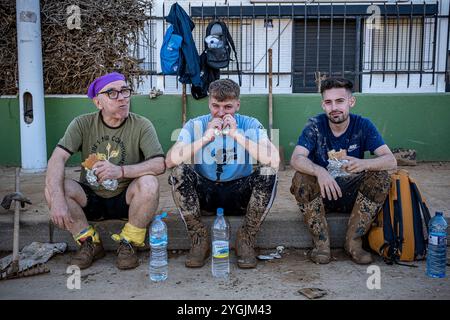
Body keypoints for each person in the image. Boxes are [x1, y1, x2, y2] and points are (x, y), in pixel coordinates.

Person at [45, 72, 165, 270]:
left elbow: (159, 164)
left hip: (126, 200)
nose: (122, 98)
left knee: (149, 182)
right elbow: (57, 158)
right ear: (98, 102)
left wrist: (120, 171)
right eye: (112, 93)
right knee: (53, 188)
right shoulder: (82, 124)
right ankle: (89, 242)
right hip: (90, 197)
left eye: (125, 91)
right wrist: (57, 199)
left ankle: (129, 243)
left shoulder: (142, 125)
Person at [166, 79, 279, 269]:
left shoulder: (250, 123)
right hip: (206, 194)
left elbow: (274, 159)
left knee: (268, 171)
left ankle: (246, 237)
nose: (220, 112)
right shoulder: (196, 124)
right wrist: (205, 138)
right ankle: (198, 237)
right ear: (209, 103)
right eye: (215, 106)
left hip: (239, 192)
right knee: (178, 170)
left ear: (237, 104)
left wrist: (237, 135)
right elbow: (170, 160)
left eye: (228, 107)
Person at [290, 77, 397, 265]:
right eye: (328, 102)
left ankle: (353, 243)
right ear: (323, 105)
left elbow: (391, 160)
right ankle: (321, 245)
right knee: (301, 178)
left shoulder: (363, 125)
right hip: (322, 194)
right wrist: (319, 171)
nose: (334, 108)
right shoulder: (315, 125)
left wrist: (365, 164)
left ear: (351, 101)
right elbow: (296, 158)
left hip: (353, 195)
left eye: (339, 101)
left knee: (381, 177)